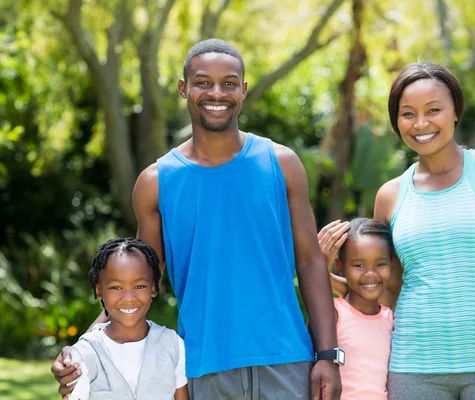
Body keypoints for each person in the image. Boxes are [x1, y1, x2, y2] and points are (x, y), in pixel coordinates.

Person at [51, 38, 342, 400]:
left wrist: (328, 354)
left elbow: (311, 259)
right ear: (183, 88)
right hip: (204, 366)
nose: (217, 93)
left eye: (229, 83)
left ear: (244, 90)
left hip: (286, 360)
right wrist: (82, 349)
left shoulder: (281, 164)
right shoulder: (155, 182)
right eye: (203, 82)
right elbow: (140, 279)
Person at [320, 62, 475, 400]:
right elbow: (383, 286)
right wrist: (326, 276)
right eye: (408, 113)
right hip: (413, 370)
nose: (421, 123)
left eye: (434, 110)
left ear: (455, 111)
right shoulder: (391, 195)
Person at [67, 237, 188, 400]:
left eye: (139, 286)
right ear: (99, 291)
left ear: (153, 288)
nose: (128, 298)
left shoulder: (173, 345)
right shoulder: (85, 353)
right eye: (116, 287)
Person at [318, 218, 394, 400]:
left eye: (380, 264)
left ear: (392, 264)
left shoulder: (390, 317)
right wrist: (320, 269)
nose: (370, 273)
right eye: (359, 265)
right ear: (340, 268)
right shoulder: (333, 313)